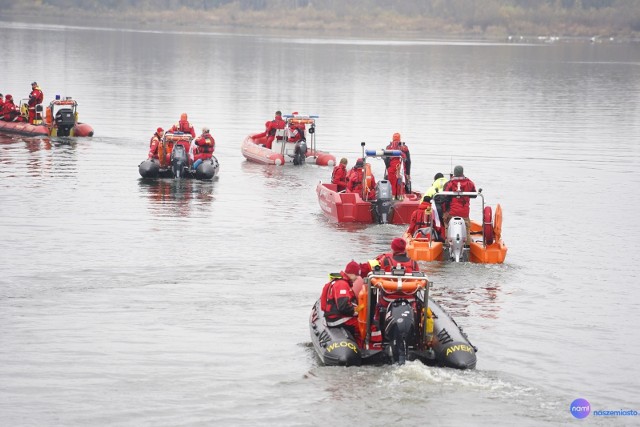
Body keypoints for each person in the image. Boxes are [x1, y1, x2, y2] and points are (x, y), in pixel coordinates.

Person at [321, 260, 362, 346]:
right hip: (337, 319)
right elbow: (343, 307)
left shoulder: (340, 282)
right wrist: (356, 312)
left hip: (334, 317)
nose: (357, 278)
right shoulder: (342, 285)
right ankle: (366, 348)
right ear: (352, 274)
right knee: (366, 325)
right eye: (356, 275)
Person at [442, 165, 477, 244]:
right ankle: (468, 246)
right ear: (462, 172)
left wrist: (445, 212)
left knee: (447, 226)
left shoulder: (450, 183)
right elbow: (474, 194)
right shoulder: (469, 183)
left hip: (452, 213)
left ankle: (447, 244)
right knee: (467, 228)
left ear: (454, 173)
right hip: (464, 213)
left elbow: (445, 198)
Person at [385, 133, 407, 198]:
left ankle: (393, 196)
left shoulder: (389, 146)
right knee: (398, 181)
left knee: (392, 182)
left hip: (392, 167)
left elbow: (386, 157)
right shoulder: (402, 146)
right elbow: (405, 155)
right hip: (398, 167)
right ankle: (399, 196)